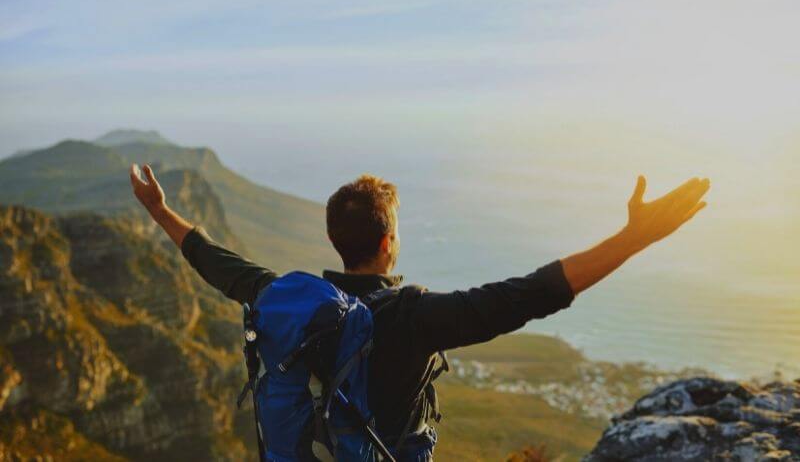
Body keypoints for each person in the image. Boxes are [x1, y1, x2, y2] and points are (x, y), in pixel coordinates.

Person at [129, 164, 709, 460]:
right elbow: (530, 294)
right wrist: (635, 238)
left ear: (337, 241)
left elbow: (212, 259)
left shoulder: (282, 297)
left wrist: (160, 210)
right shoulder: (412, 317)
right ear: (387, 244)